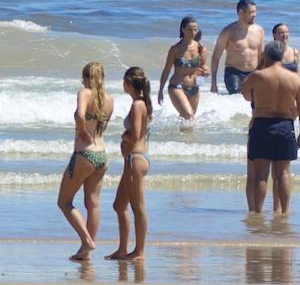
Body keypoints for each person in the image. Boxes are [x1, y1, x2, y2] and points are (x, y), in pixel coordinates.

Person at [241, 40, 300, 213]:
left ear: (267, 55)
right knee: (283, 173)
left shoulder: (258, 76)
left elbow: (246, 96)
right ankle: (285, 212)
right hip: (286, 126)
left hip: (262, 125)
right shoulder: (295, 79)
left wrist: (261, 66)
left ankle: (257, 212)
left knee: (261, 174)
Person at [57, 62, 114, 261]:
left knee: (64, 202)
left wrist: (81, 131)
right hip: (102, 155)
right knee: (93, 204)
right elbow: (102, 128)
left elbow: (81, 115)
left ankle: (87, 240)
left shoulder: (85, 92)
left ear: (87, 78)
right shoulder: (109, 99)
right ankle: (85, 251)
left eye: (84, 77)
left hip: (84, 155)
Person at [106, 66, 153, 261]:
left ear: (129, 83)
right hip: (132, 159)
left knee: (137, 206)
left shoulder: (137, 105)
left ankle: (139, 250)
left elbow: (134, 135)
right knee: (119, 205)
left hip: (136, 158)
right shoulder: (141, 104)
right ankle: (123, 248)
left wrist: (123, 137)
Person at [210, 0, 265, 95]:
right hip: (234, 73)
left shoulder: (259, 30)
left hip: (253, 73)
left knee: (256, 100)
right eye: (251, 12)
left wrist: (263, 75)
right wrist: (213, 83)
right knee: (236, 95)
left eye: (255, 12)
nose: (255, 15)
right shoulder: (228, 32)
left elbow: (262, 56)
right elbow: (216, 57)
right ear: (241, 13)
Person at [158, 15, 207, 123]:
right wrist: (160, 90)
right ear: (183, 29)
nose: (193, 32)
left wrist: (203, 74)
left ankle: (184, 140)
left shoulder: (201, 49)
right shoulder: (175, 49)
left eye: (195, 30)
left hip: (194, 88)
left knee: (188, 121)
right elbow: (166, 70)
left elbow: (205, 69)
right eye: (189, 29)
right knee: (189, 117)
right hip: (177, 87)